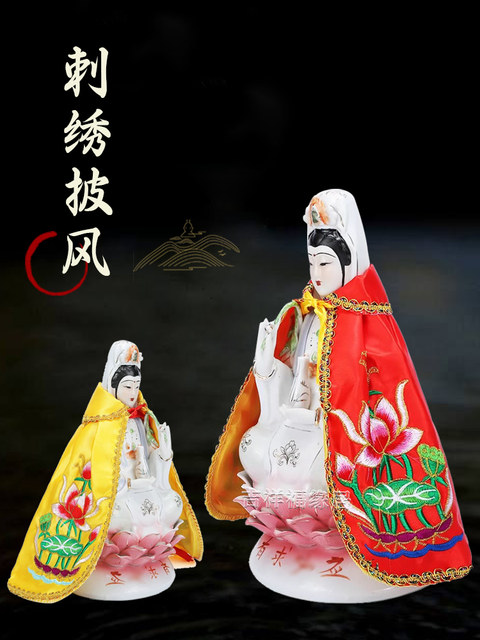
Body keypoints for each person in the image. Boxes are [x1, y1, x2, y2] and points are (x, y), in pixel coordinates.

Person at [205, 188, 472, 602]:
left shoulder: (367, 323)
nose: (317, 273)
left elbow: (374, 392)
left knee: (323, 472)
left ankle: (360, 547)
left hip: (339, 434)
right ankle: (295, 533)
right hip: (293, 418)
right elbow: (290, 374)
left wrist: (327, 414)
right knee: (255, 446)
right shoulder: (307, 312)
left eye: (326, 263)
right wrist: (268, 369)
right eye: (312, 262)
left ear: (348, 262)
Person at [8, 340, 203, 602]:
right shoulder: (99, 426)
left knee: (173, 503)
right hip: (118, 494)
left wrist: (163, 456)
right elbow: (94, 471)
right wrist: (123, 484)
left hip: (145, 487)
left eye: (136, 386)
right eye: (127, 386)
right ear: (113, 385)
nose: (133, 392)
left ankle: (146, 550)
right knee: (115, 517)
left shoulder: (141, 418)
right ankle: (106, 560)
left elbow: (151, 460)